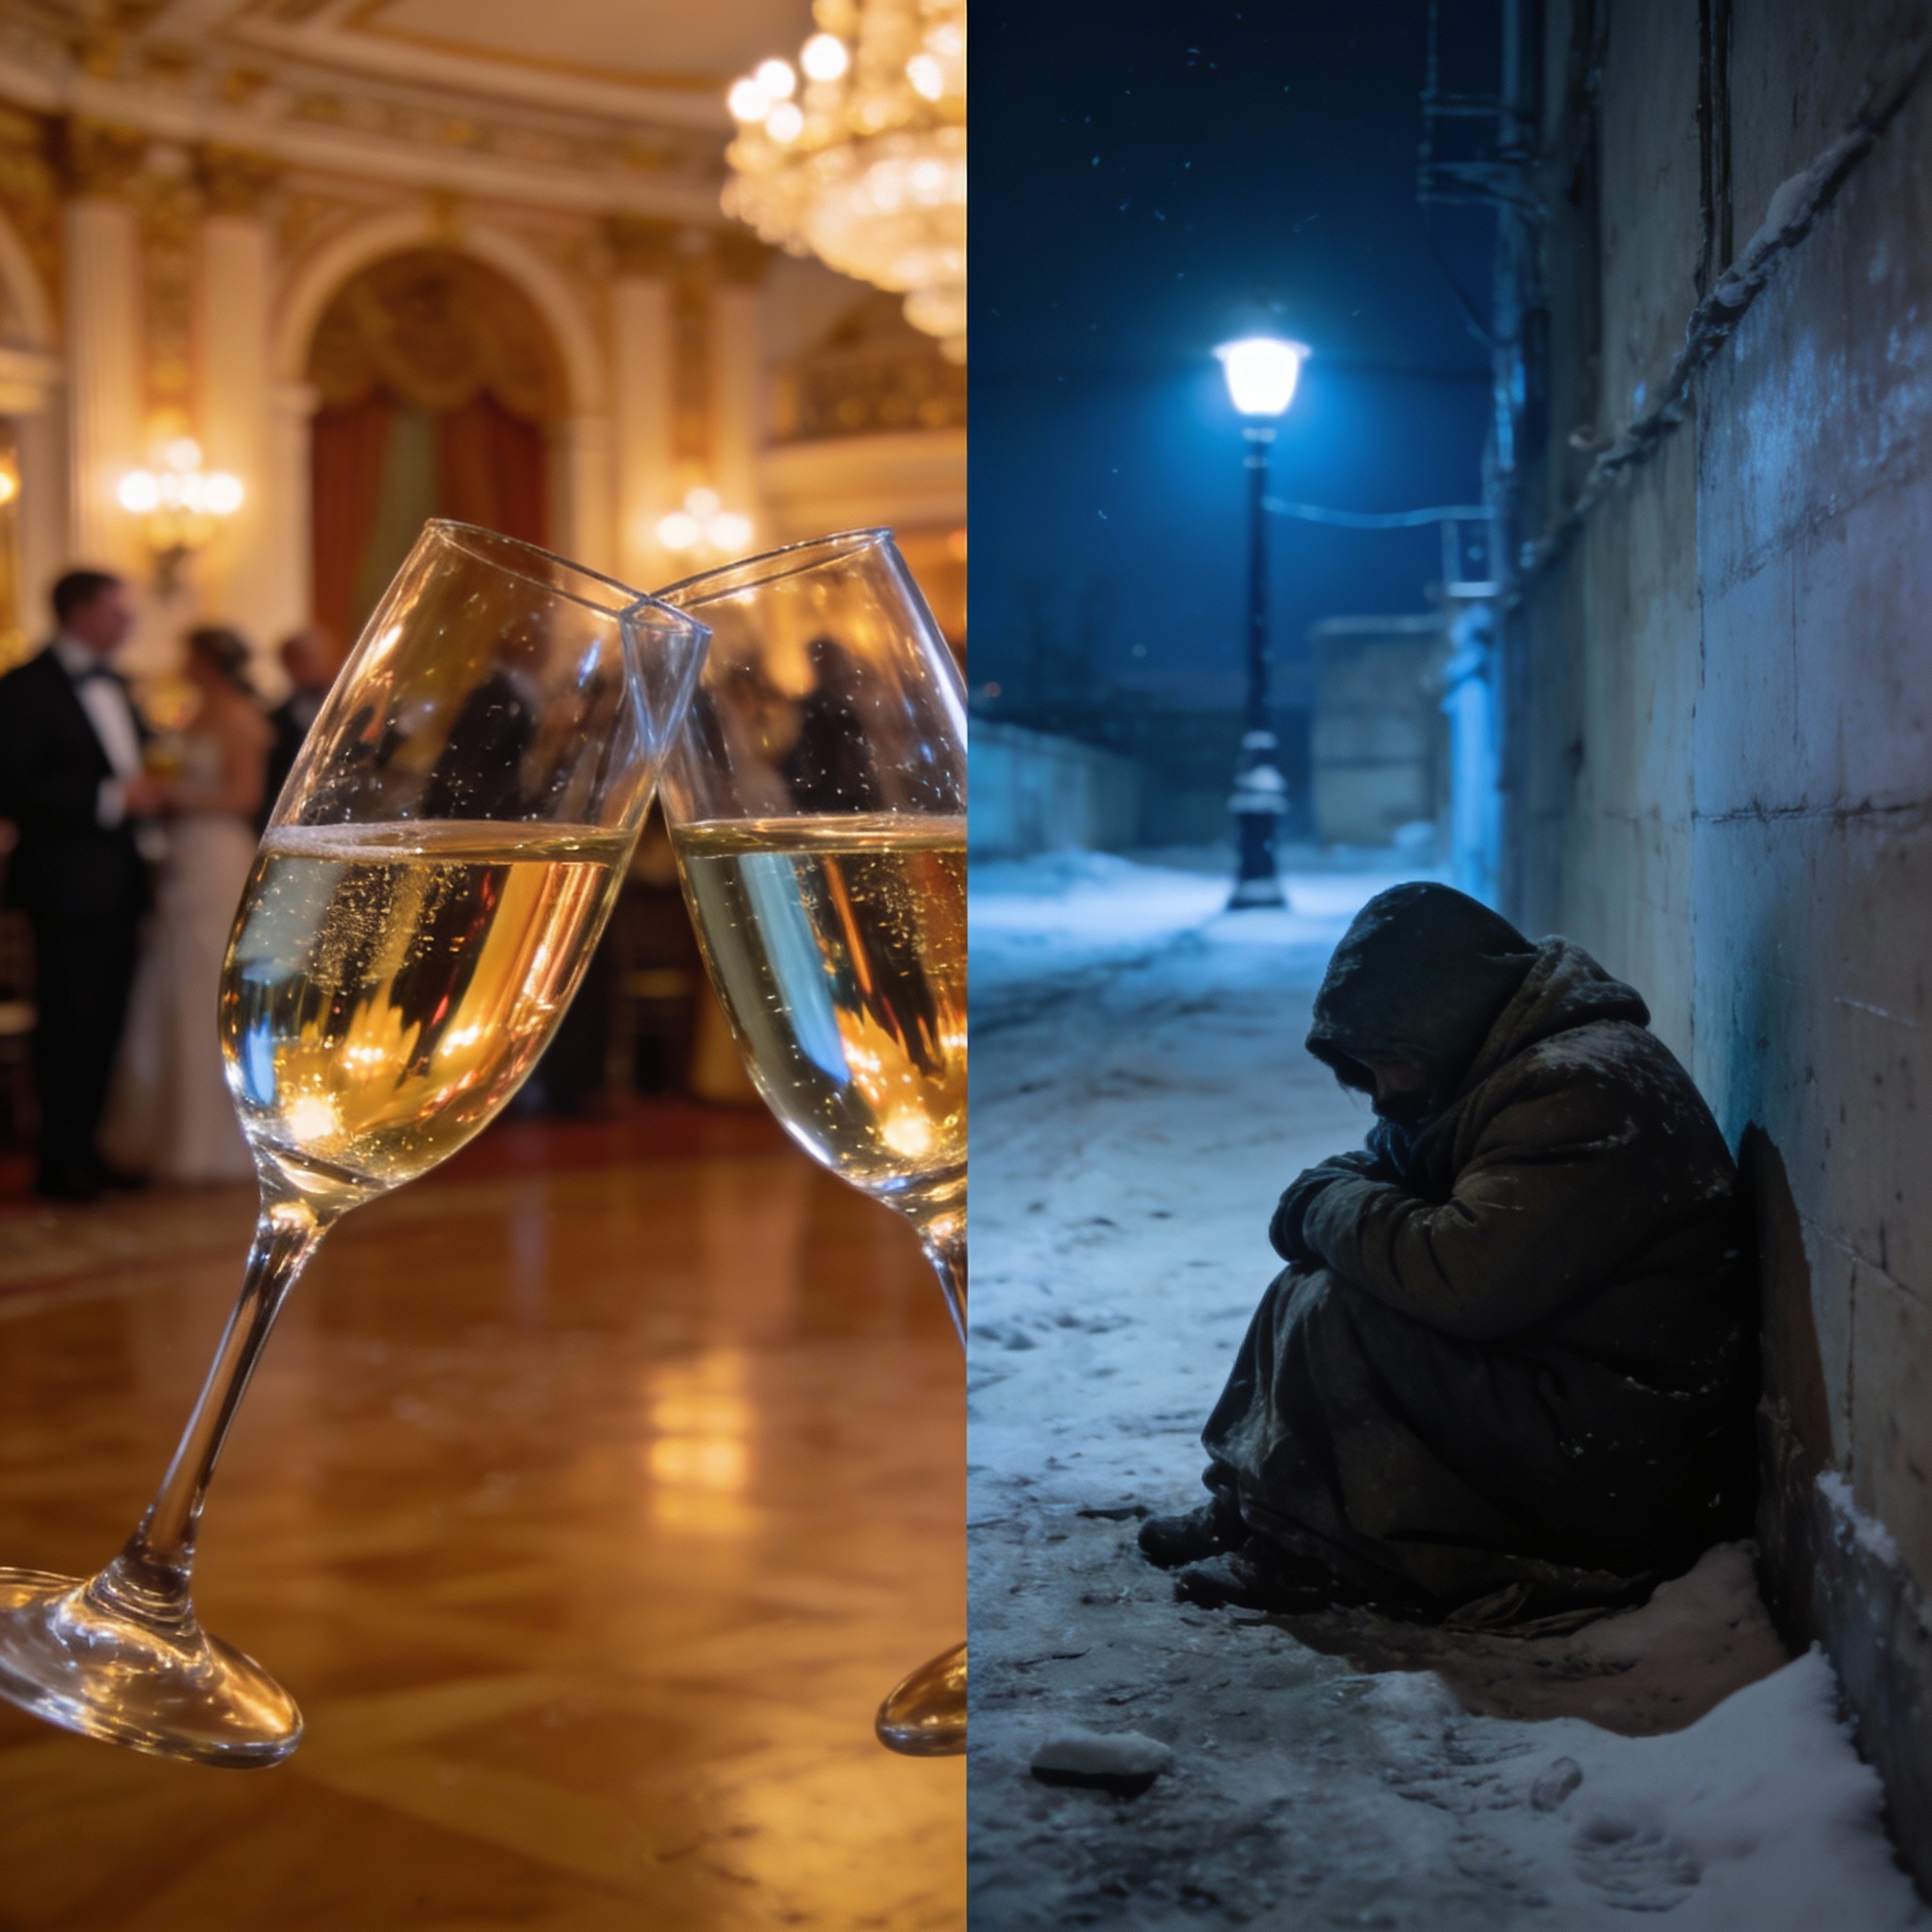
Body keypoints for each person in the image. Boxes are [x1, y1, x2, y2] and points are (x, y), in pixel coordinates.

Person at [1138, 882, 1757, 1626]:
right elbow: (1386, 1171)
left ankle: (1321, 1553)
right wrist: (1333, 1207)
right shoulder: (1496, 1073)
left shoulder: (1578, 1089)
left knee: (1348, 1307)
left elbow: (1458, 1277)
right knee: (1319, 1274)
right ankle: (1259, 1507)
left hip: (1620, 1455)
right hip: (1576, 1391)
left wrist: (1326, 1203)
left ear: (1440, 1019)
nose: (1380, 1092)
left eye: (1387, 1062)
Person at [0, 571, 164, 1200]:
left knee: (109, 1021)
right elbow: (12, 785)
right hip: (63, 884)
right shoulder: (24, 688)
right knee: (68, 1021)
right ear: (80, 612)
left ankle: (90, 1149)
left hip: (123, 879)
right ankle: (58, 1159)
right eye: (117, 613)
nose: (128, 625)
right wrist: (108, 798)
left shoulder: (121, 686)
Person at [103, 627, 270, 1185]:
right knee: (172, 983)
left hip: (218, 856)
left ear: (207, 661)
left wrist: (173, 796)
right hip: (182, 858)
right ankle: (167, 1130)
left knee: (210, 985)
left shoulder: (241, 717)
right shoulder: (192, 715)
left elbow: (244, 796)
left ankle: (216, 1140)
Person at [261, 625, 341, 828]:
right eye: (294, 661)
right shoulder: (274, 719)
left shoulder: (363, 709)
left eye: (307, 660)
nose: (301, 668)